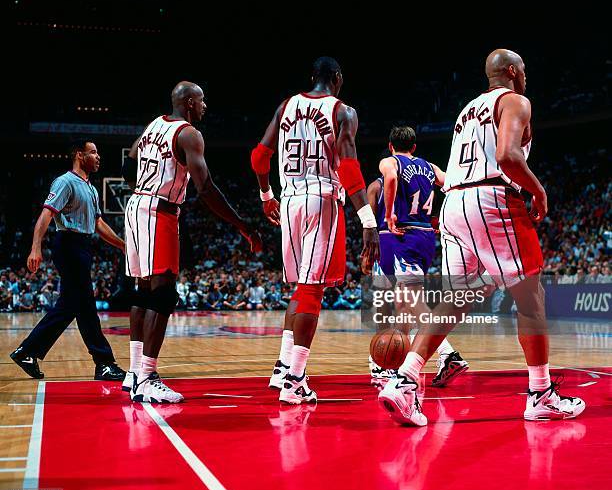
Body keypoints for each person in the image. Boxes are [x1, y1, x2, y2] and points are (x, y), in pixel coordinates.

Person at [378, 49, 586, 425]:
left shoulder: (467, 110)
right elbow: (507, 156)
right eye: (523, 68)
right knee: (530, 296)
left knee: (458, 298)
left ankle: (405, 380)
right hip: (489, 199)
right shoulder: (515, 100)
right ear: (511, 71)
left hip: (454, 205)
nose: (526, 75)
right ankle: (541, 394)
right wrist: (538, 191)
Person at [122, 81, 262, 403]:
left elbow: (129, 162)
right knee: (163, 293)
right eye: (201, 101)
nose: (205, 107)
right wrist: (241, 225)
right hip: (159, 210)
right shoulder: (188, 134)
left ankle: (133, 373)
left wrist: (143, 183)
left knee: (144, 291)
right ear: (188, 103)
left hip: (136, 206)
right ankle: (147, 376)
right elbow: (206, 188)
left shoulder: (153, 126)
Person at [251, 56, 380, 404]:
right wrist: (368, 221)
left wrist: (266, 196)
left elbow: (259, 157)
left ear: (313, 76)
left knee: (299, 288)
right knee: (312, 291)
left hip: (290, 198)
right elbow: (351, 170)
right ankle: (295, 379)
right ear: (337, 78)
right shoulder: (342, 111)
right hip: (322, 197)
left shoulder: (286, 106)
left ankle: (282, 367)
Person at [10, 140, 126, 381]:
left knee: (72, 306)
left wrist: (123, 246)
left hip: (82, 246)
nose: (98, 156)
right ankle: (103, 362)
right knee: (85, 306)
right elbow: (46, 214)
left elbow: (98, 224)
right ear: (78, 155)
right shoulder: (65, 182)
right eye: (93, 152)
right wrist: (35, 247)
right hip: (68, 244)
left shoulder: (92, 189)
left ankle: (28, 351)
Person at [367, 127, 469, 386]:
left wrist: (389, 213)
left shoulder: (390, 162)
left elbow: (390, 179)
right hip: (425, 236)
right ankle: (399, 365)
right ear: (414, 147)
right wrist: (443, 219)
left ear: (391, 146)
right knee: (404, 301)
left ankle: (447, 353)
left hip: (403, 235)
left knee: (410, 299)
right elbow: (452, 186)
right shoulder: (430, 167)